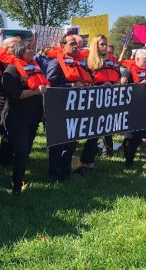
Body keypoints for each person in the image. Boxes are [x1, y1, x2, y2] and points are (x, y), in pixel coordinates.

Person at [1, 41, 49, 195]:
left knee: (26, 150)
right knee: (21, 150)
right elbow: (14, 95)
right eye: (29, 49)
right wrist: (36, 91)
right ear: (20, 51)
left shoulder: (35, 67)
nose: (32, 51)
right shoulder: (12, 70)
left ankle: (19, 178)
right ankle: (16, 186)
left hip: (33, 116)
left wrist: (42, 111)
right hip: (16, 117)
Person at [46, 34, 93, 180]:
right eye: (71, 43)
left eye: (76, 44)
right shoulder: (55, 63)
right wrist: (71, 86)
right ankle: (54, 175)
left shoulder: (79, 63)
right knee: (58, 144)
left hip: (76, 109)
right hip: (60, 109)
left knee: (71, 144)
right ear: (62, 46)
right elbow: (51, 85)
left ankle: (65, 172)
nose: (75, 46)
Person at [76, 35, 120, 173]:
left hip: (109, 98)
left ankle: (89, 160)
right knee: (94, 132)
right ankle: (85, 161)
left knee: (100, 130)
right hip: (94, 99)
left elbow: (117, 78)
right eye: (102, 44)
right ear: (95, 45)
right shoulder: (87, 62)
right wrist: (100, 86)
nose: (105, 47)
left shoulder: (112, 62)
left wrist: (117, 84)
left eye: (106, 44)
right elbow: (84, 82)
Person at [120, 48, 146, 167]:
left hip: (145, 107)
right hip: (132, 108)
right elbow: (123, 86)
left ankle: (132, 156)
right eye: (145, 61)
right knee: (130, 136)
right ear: (137, 59)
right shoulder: (128, 71)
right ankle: (128, 161)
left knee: (140, 136)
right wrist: (137, 85)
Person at [0, 37, 21, 167]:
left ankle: (16, 155)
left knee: (15, 127)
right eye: (13, 46)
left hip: (15, 98)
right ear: (5, 49)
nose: (16, 48)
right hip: (1, 98)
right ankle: (5, 160)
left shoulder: (20, 62)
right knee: (5, 128)